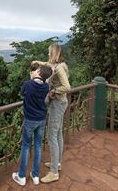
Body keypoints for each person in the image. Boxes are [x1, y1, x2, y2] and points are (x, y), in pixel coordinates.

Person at [35, 44, 71, 183]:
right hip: (61, 103)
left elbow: (67, 87)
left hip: (58, 103)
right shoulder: (58, 64)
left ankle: (54, 172)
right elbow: (48, 64)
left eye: (49, 52)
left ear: (53, 52)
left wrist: (54, 91)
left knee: (52, 135)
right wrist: (38, 62)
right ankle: (58, 163)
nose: (48, 54)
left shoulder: (60, 68)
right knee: (58, 134)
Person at [12, 63, 53, 186]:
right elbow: (45, 100)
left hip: (30, 120)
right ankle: (35, 176)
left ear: (39, 72)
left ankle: (22, 176)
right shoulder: (46, 87)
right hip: (41, 120)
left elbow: (23, 92)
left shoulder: (28, 84)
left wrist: (31, 78)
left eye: (37, 69)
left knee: (25, 146)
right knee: (38, 145)